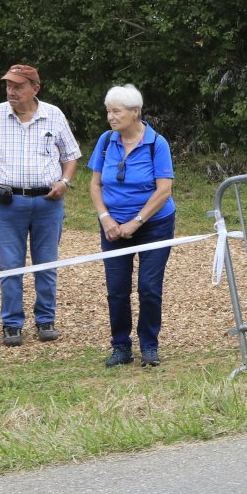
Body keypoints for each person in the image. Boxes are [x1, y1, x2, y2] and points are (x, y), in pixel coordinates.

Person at [0, 63, 81, 347]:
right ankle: (11, 324)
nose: (11, 91)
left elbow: (70, 156)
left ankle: (46, 320)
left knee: (47, 264)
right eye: (8, 85)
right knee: (10, 265)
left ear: (35, 88)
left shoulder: (54, 115)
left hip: (47, 202)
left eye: (18, 86)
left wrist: (64, 182)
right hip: (8, 204)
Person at [86, 85, 175, 367]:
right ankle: (121, 346)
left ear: (135, 112)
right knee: (116, 289)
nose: (111, 117)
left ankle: (149, 346)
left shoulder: (157, 143)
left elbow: (164, 190)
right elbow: (95, 185)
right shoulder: (105, 141)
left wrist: (136, 223)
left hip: (154, 224)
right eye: (108, 111)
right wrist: (106, 218)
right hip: (113, 226)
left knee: (149, 287)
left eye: (117, 111)